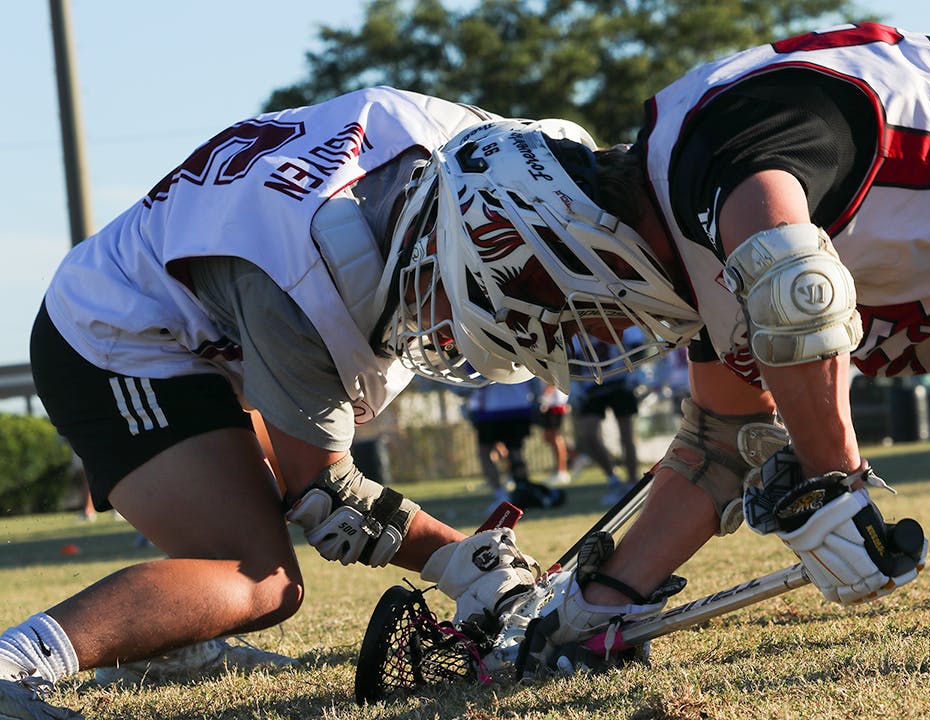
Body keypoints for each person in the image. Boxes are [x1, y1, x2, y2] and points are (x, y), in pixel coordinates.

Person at [385, 23, 930, 674]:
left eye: (554, 322)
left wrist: (829, 483)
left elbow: (793, 283)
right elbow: (725, 444)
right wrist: (596, 606)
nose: (579, 343)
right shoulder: (693, 239)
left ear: (563, 248)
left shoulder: (716, 151)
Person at [0, 88, 599, 718]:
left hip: (197, 321)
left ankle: (171, 642)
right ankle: (16, 661)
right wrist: (468, 566)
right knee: (257, 577)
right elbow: (328, 500)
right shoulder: (310, 277)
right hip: (112, 338)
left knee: (246, 534)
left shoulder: (472, 151)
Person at [465, 381, 565, 511]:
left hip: (492, 408)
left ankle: (504, 494)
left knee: (487, 452)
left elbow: (470, 381)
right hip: (519, 405)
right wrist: (537, 399)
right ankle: (518, 489)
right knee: (514, 451)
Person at [570, 337, 642, 505]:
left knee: (627, 435)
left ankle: (632, 482)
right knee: (588, 434)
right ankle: (613, 479)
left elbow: (636, 344)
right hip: (592, 385)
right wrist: (573, 383)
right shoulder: (571, 329)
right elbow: (568, 361)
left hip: (620, 380)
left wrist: (637, 370)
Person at [534, 383, 574, 486]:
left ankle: (562, 471)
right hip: (551, 404)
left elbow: (550, 381)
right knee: (549, 437)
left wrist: (544, 399)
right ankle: (573, 458)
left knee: (555, 437)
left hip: (553, 404)